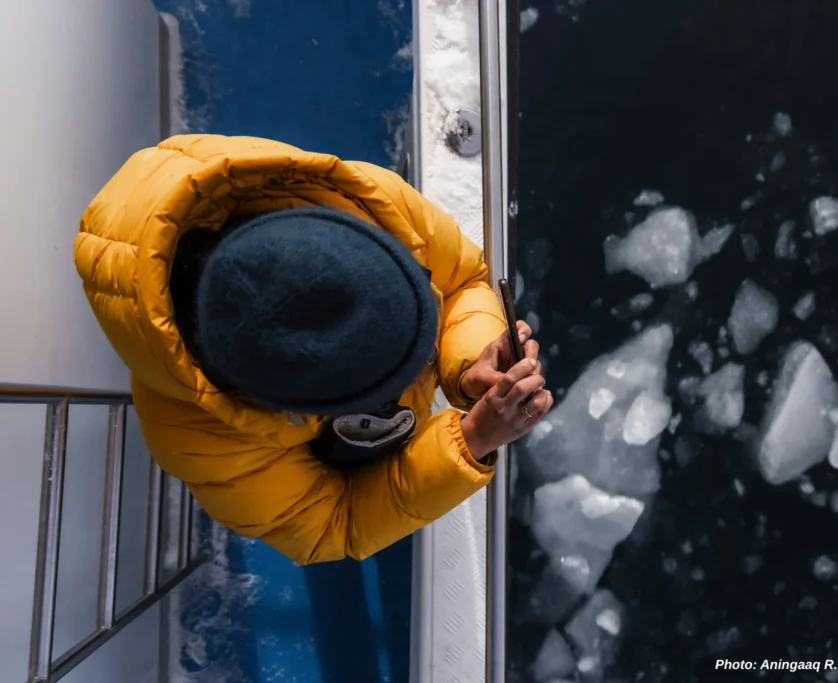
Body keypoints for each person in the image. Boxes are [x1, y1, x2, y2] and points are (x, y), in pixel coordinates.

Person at [73, 134, 553, 564]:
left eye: (423, 302)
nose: (435, 348)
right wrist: (470, 441)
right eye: (403, 370)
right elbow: (333, 524)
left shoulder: (371, 202)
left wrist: (470, 365)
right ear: (300, 410)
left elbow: (463, 277)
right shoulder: (204, 442)